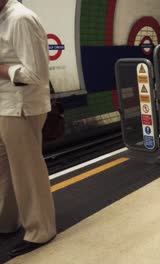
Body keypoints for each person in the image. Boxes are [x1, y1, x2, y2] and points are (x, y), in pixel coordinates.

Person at [0, 0, 56, 257]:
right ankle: (6, 221)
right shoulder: (3, 17)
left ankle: (40, 230)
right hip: (5, 105)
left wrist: (2, 70)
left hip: (22, 107)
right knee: (6, 169)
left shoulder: (20, 19)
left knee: (27, 170)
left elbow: (37, 74)